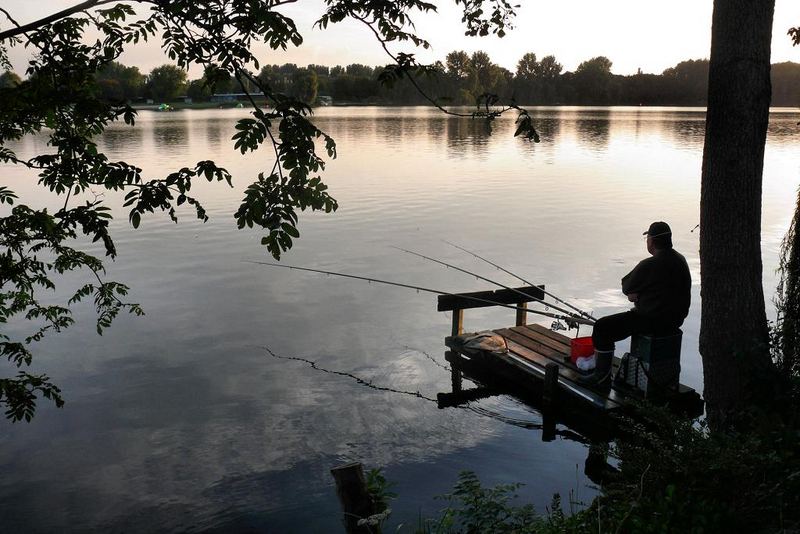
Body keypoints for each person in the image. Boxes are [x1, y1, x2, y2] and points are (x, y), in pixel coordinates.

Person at [580, 221, 691, 386]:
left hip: (651, 320)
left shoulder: (650, 264)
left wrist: (635, 294)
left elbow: (627, 286)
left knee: (602, 328)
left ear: (651, 241)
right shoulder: (680, 260)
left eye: (647, 239)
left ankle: (601, 377)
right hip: (675, 321)